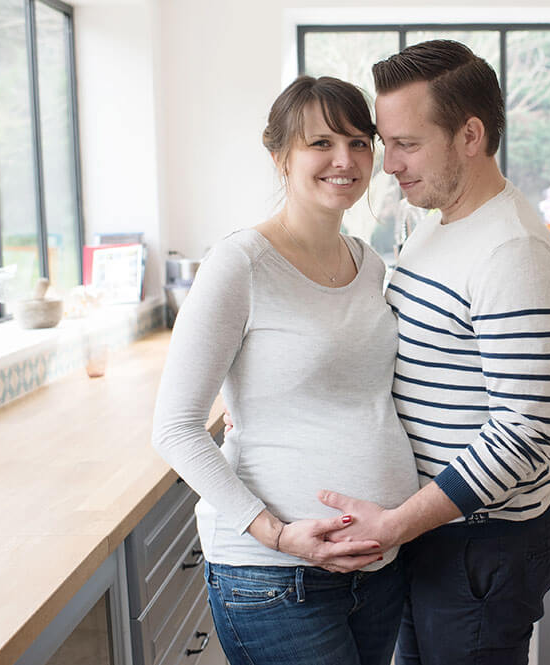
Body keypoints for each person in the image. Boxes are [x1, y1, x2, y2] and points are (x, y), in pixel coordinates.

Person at [318, 40, 550, 665]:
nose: (388, 165)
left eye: (407, 144)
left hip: (482, 543)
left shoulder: (512, 252)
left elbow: (524, 433)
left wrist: (398, 524)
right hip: (439, 531)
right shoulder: (435, 222)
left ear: (470, 134)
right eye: (388, 143)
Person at [151, 75, 420, 665]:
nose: (344, 160)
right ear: (280, 156)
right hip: (276, 579)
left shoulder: (371, 264)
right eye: (320, 143)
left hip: (378, 571)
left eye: (357, 142)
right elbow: (175, 428)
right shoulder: (239, 265)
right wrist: (276, 532)